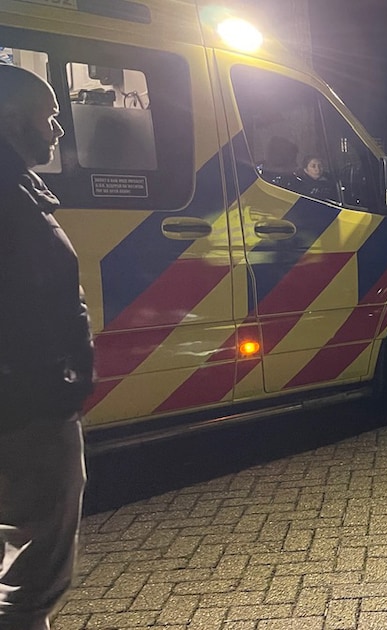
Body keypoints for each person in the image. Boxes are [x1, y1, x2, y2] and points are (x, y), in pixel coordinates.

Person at [0, 64, 92, 630]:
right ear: (13, 120)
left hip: (24, 395)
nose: (58, 130)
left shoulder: (17, 189)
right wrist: (52, 386)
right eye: (50, 117)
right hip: (27, 405)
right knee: (34, 571)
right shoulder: (8, 198)